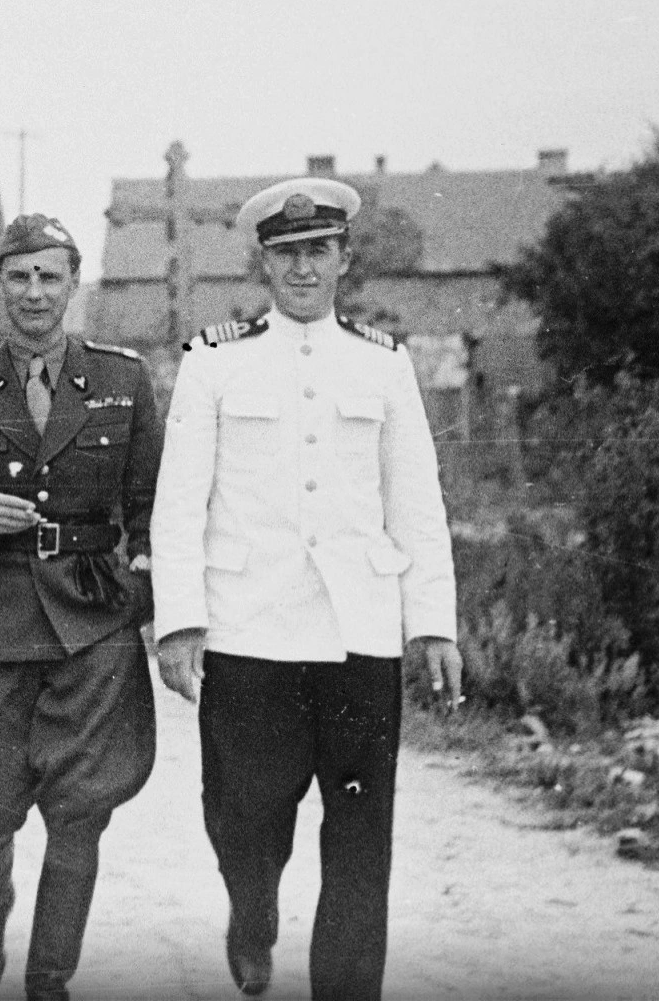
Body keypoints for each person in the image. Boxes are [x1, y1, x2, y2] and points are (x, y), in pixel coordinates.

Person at [148, 178, 464, 1001]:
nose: (302, 269)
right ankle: (252, 914)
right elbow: (178, 503)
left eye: (318, 251)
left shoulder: (383, 363)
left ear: (344, 259)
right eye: (286, 254)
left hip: (360, 632)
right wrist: (179, 622)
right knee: (245, 821)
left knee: (361, 838)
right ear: (263, 263)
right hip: (249, 630)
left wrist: (433, 622)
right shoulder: (215, 362)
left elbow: (416, 500)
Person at [0, 214, 163, 1001]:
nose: (35, 293)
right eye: (19, 277)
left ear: (73, 283)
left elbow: (151, 510)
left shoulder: (122, 379)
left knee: (82, 810)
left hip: (93, 621)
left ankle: (50, 978)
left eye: (50, 277)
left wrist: (143, 601)